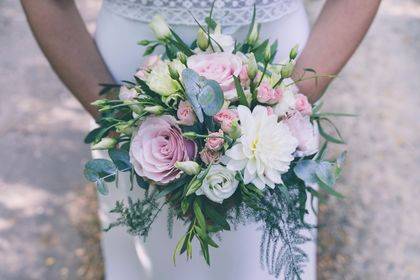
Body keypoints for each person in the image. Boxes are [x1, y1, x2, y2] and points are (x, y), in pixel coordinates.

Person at [21, 0, 381, 279]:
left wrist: (283, 104)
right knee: (153, 256)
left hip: (281, 79)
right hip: (129, 82)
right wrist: (118, 119)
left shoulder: (283, 99)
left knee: (264, 261)